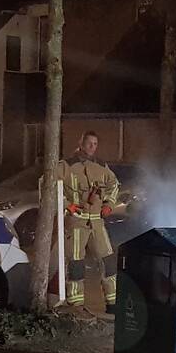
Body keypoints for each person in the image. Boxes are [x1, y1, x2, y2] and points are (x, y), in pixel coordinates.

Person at [58, 130, 120, 313]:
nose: (93, 147)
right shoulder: (66, 165)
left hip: (97, 223)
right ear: (81, 143)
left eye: (95, 144)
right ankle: (76, 305)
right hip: (76, 223)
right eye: (89, 143)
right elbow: (48, 185)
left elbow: (114, 185)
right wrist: (67, 205)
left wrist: (109, 204)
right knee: (76, 264)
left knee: (108, 261)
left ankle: (113, 303)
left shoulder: (101, 166)